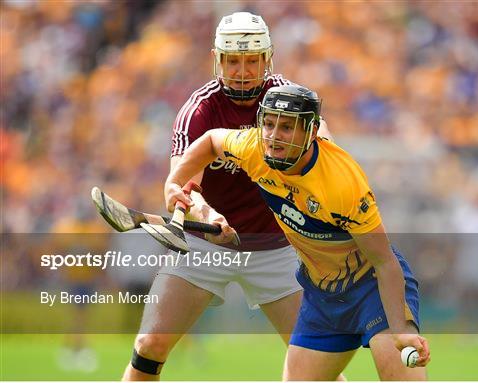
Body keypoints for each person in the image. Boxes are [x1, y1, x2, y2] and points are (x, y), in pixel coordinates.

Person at [164, 84, 432, 380]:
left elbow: (384, 262)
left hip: (371, 288)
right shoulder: (254, 147)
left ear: (311, 131)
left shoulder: (342, 184)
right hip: (323, 295)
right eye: (268, 123)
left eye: (287, 127)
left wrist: (400, 330)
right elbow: (212, 140)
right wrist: (174, 182)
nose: (274, 136)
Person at [122, 12, 334, 380]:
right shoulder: (199, 110)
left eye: (251, 60)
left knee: (314, 366)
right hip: (205, 246)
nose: (242, 70)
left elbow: (326, 152)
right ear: (217, 59)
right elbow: (180, 186)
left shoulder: (288, 100)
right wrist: (204, 212)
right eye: (233, 60)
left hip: (279, 248)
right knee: (150, 344)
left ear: (267, 59)